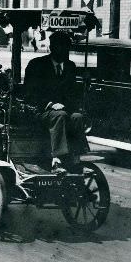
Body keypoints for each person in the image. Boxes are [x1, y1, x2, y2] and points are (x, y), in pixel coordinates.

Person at [23, 31, 85, 173]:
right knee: (60, 115)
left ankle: (75, 156)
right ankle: (56, 160)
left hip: (62, 111)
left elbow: (72, 94)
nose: (63, 51)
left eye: (66, 48)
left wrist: (71, 105)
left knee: (77, 117)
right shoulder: (37, 65)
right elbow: (29, 93)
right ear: (52, 48)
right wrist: (50, 104)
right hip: (39, 111)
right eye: (59, 47)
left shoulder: (70, 67)